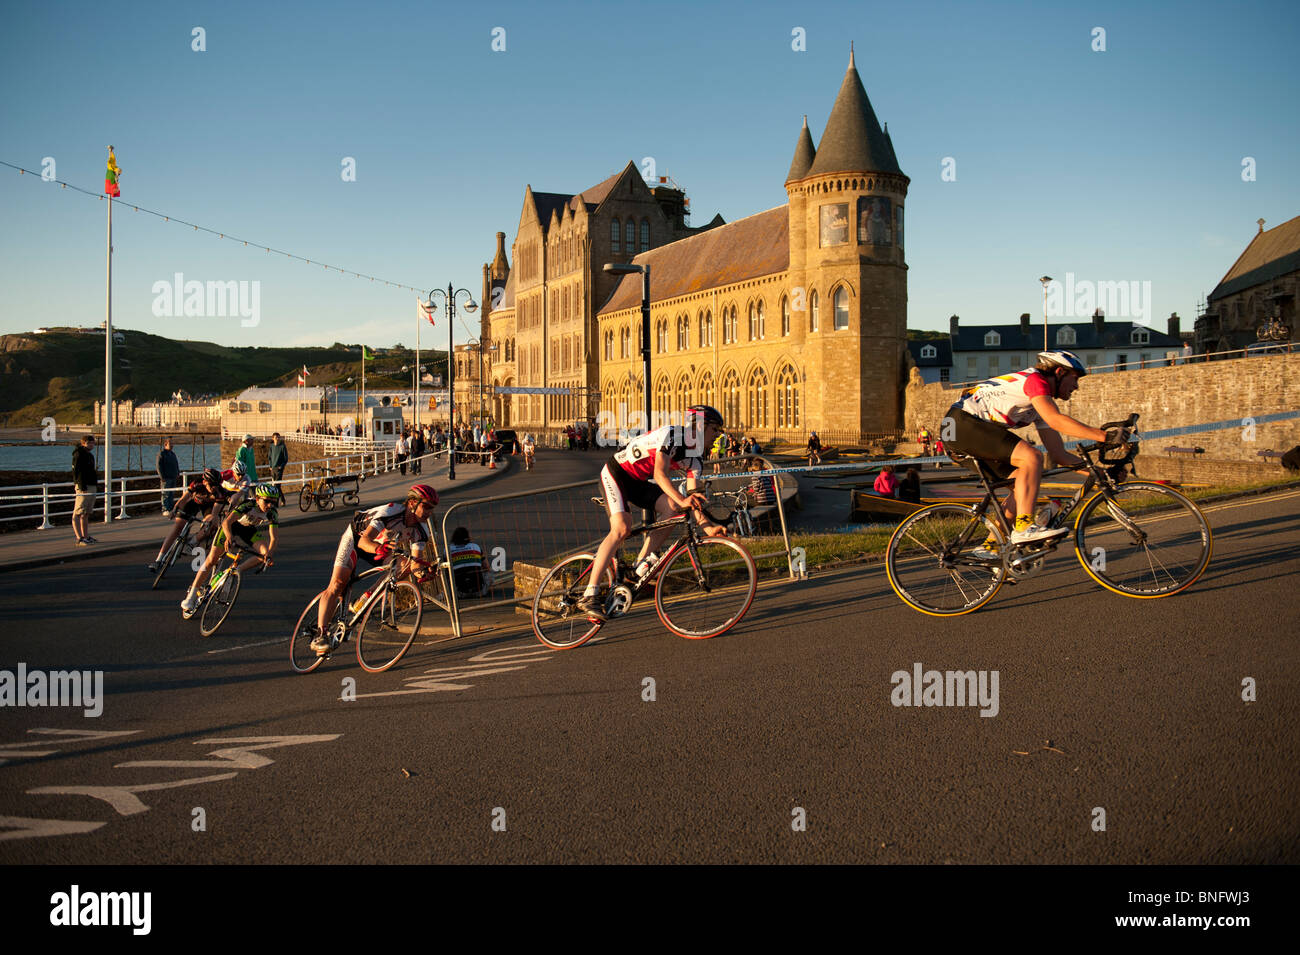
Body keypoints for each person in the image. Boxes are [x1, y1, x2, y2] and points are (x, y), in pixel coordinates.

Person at [945, 350, 1111, 554]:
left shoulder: (1040, 403)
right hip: (960, 424)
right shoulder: (1035, 380)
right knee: (1032, 457)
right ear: (1059, 372)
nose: (1076, 386)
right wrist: (1104, 436)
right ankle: (1024, 527)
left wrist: (1098, 473)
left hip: (959, 430)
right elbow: (1056, 420)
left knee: (1022, 485)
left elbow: (1059, 455)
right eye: (1074, 379)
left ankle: (990, 548)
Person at [578, 405, 728, 621]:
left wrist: (708, 527)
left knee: (675, 509)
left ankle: (640, 567)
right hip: (617, 473)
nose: (717, 436)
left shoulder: (696, 459)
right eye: (716, 430)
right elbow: (659, 474)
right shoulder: (673, 435)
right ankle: (589, 593)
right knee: (621, 528)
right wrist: (682, 498)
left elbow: (693, 501)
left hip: (638, 481)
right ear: (700, 426)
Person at [307, 484, 437, 653]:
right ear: (412, 503)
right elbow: (364, 541)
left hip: (381, 547)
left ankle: (366, 598)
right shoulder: (391, 512)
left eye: (432, 508)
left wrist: (424, 572)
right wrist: (377, 548)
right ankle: (320, 635)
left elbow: (415, 563)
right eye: (426, 506)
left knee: (404, 565)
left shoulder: (421, 529)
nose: (429, 512)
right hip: (357, 539)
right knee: (338, 583)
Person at [180, 483, 280, 618]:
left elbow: (274, 538)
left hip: (247, 529)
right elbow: (226, 523)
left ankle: (238, 570)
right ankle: (191, 596)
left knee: (264, 553)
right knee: (211, 560)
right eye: (267, 501)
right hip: (231, 526)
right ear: (257, 499)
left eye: (273, 502)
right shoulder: (248, 505)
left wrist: (269, 555)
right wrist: (229, 538)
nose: (269, 505)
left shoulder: (272, 513)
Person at [147, 467, 230, 571]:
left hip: (209, 507)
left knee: (211, 524)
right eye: (211, 485)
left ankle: (193, 542)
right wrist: (174, 511)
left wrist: (206, 523)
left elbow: (214, 514)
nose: (214, 488)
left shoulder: (219, 493)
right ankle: (158, 560)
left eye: (216, 485)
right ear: (204, 482)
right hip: (194, 503)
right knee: (178, 527)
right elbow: (183, 500)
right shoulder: (197, 484)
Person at [448, 526, 494, 597]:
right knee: (489, 571)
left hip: (458, 593)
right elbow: (486, 567)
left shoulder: (448, 550)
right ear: (467, 537)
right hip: (479, 591)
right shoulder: (475, 547)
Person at [71, 434, 98, 546]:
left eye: (92, 443)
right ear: (83, 443)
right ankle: (79, 537)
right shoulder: (79, 454)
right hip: (84, 486)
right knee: (78, 512)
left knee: (86, 513)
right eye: (89, 443)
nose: (91, 445)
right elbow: (76, 471)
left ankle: (86, 536)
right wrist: (81, 485)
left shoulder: (90, 455)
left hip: (91, 485)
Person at [157, 437, 181, 515]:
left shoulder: (173, 454)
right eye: (170, 444)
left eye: (172, 444)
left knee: (171, 494)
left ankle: (170, 508)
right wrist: (161, 476)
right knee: (165, 494)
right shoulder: (162, 454)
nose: (172, 445)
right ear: (165, 444)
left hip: (173, 476)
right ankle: (165, 509)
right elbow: (158, 466)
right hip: (166, 477)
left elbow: (176, 464)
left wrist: (177, 472)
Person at [268, 432, 289, 505]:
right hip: (273, 468)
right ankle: (282, 500)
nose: (277, 439)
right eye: (276, 437)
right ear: (273, 438)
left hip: (279, 468)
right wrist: (270, 466)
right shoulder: (271, 446)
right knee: (276, 486)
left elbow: (286, 458)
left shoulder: (282, 446)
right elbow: (269, 457)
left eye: (278, 437)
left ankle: (276, 502)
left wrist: (282, 466)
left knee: (277, 485)